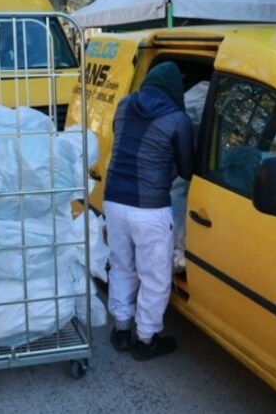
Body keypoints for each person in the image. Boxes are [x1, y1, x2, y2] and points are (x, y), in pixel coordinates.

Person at [103, 62, 194, 361]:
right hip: (150, 209)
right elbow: (186, 167)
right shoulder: (177, 118)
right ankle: (146, 339)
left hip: (114, 201)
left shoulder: (125, 103)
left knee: (121, 266)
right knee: (154, 275)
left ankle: (121, 328)